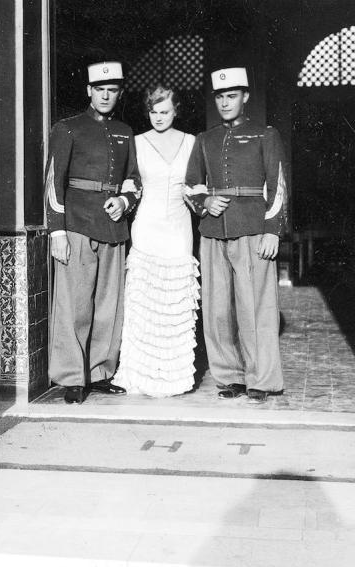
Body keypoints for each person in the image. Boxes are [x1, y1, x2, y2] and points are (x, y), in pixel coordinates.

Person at [184, 67, 287, 403]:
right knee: (217, 311)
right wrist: (205, 201)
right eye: (220, 97)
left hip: (253, 229)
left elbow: (278, 186)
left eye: (232, 96)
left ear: (245, 97)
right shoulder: (204, 139)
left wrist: (272, 231)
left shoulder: (265, 135)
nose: (225, 102)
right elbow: (190, 184)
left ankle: (262, 380)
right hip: (213, 232)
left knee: (256, 308)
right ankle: (230, 377)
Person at [45, 60, 142, 404]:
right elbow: (54, 183)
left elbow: (134, 178)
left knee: (107, 306)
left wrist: (125, 201)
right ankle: (73, 377)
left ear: (119, 93)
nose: (105, 95)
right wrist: (57, 232)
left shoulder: (125, 131)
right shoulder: (68, 128)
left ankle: (99, 373)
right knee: (75, 304)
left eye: (111, 90)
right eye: (99, 89)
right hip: (77, 225)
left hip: (113, 227)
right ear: (89, 90)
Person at [112, 85, 199, 396]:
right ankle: (139, 375)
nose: (159, 117)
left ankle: (173, 378)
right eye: (153, 112)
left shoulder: (191, 142)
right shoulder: (136, 142)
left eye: (165, 111)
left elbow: (196, 185)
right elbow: (130, 183)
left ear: (176, 111)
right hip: (147, 226)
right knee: (145, 305)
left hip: (178, 228)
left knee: (174, 304)